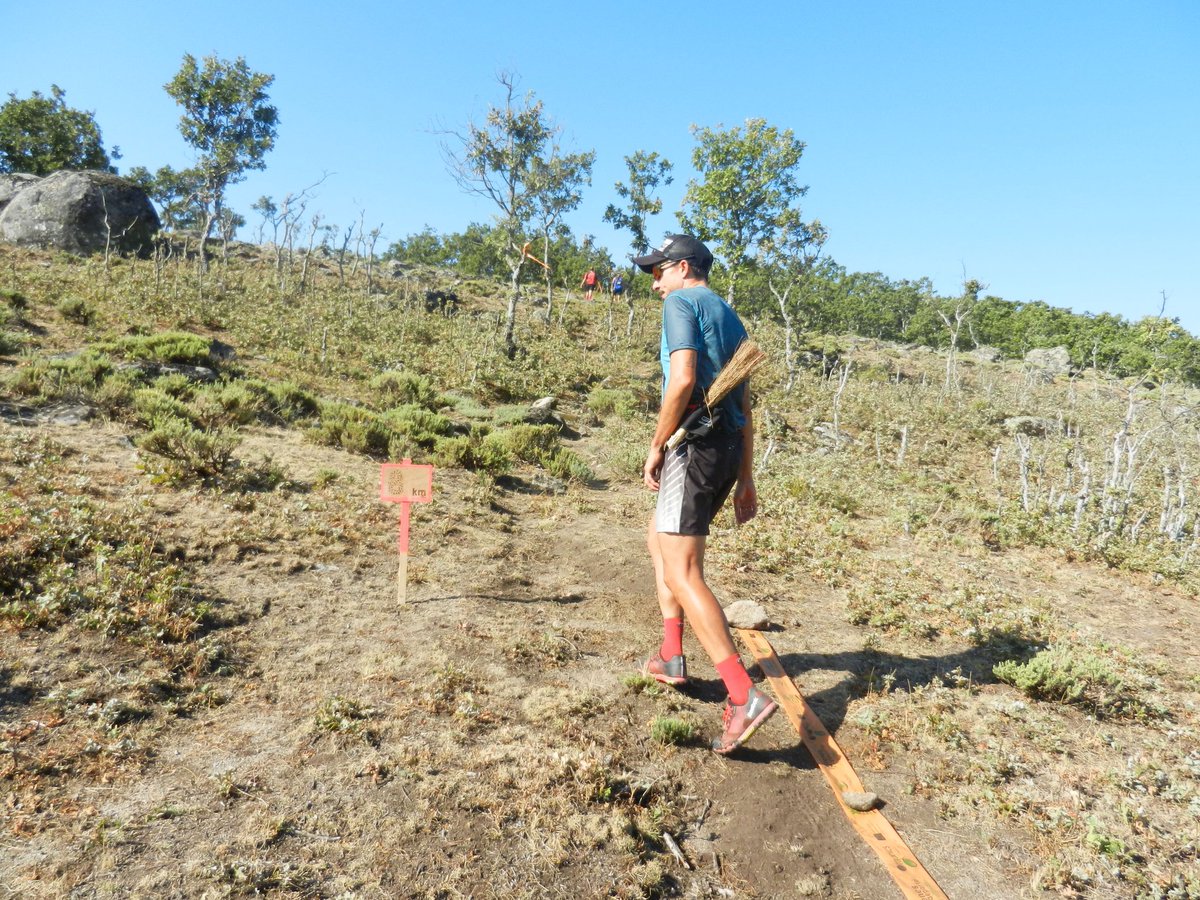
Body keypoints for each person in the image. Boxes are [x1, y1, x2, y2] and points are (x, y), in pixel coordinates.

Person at [632, 234, 778, 754]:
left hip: (692, 450)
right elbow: (744, 403)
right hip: (723, 450)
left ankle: (743, 696)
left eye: (658, 270)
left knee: (683, 570)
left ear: (684, 268)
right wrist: (746, 475)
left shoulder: (682, 301)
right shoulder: (730, 315)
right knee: (660, 542)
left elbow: (683, 380)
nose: (654, 282)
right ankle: (671, 654)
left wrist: (656, 447)